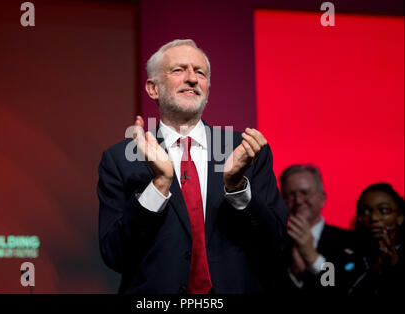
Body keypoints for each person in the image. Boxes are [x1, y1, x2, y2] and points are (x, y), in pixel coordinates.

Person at [97, 39, 288, 294]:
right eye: (178, 70)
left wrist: (237, 188)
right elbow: (115, 254)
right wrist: (159, 185)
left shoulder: (244, 151)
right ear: (153, 89)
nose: (192, 79)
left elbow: (275, 244)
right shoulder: (120, 159)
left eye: (200, 72)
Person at [279, 164, 351, 294]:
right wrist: (295, 274)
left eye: (305, 193)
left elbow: (344, 287)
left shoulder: (348, 240)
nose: (298, 200)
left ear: (322, 198)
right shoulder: (273, 243)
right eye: (290, 195)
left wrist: (313, 258)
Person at [337, 183, 404, 296]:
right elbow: (325, 288)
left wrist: (394, 270)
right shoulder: (339, 254)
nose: (373, 218)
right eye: (364, 212)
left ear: (400, 217)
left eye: (383, 210)